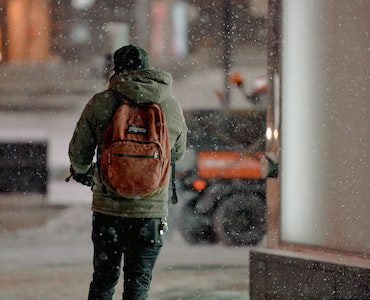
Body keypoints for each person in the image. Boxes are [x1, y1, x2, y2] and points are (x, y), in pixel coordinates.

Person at [68, 44, 187, 300]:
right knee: (138, 285)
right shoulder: (170, 105)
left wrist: (82, 172)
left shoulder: (101, 103)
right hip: (150, 213)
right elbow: (177, 154)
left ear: (116, 68)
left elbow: (79, 152)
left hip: (109, 212)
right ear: (146, 67)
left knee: (103, 281)